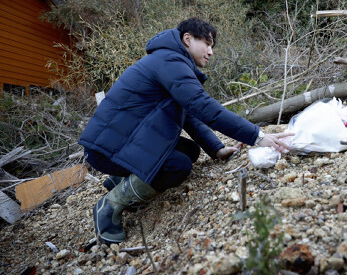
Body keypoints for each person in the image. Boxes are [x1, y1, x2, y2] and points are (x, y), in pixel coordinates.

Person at [79, 17, 292, 245]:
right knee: (178, 166)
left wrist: (217, 148)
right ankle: (111, 205)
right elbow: (203, 107)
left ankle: (124, 179)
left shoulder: (169, 60)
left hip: (118, 142)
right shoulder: (170, 61)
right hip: (107, 148)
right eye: (207, 44)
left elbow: (189, 114)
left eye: (213, 46)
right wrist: (258, 137)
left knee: (190, 150)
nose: (210, 52)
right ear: (187, 39)